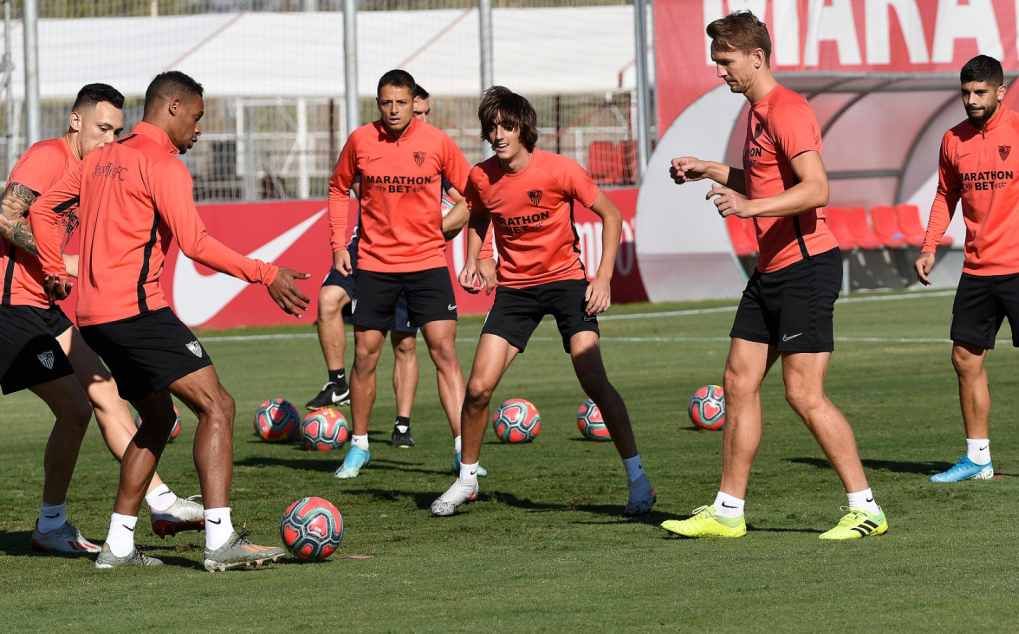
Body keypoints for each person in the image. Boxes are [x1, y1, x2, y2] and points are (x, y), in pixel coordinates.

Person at [29, 71, 310, 570]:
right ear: (173, 107)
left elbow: (43, 209)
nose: (199, 130)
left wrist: (54, 268)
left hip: (92, 318)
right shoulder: (162, 164)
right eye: (197, 118)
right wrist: (266, 274)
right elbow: (197, 246)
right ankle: (220, 542)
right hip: (137, 312)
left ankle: (117, 547)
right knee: (218, 406)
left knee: (158, 419)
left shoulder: (97, 158)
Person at [659, 11, 887, 540]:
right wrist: (710, 170)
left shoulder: (787, 109)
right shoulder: (755, 113)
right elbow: (764, 181)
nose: (719, 71)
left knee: (803, 394)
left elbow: (815, 188)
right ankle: (727, 511)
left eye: (725, 60)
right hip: (771, 269)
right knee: (738, 382)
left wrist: (746, 207)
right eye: (716, 60)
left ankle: (866, 508)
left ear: (756, 56)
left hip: (807, 266)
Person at [429, 86, 656, 518]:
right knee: (477, 389)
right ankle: (467, 480)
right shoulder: (481, 176)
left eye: (506, 126)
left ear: (523, 128)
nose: (498, 134)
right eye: (492, 126)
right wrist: (480, 258)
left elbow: (612, 214)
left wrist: (603, 277)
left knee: (594, 382)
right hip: (515, 292)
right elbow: (478, 214)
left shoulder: (559, 170)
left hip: (568, 283)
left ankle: (638, 480)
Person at [0, 84, 204, 555]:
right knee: (75, 408)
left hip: (42, 307)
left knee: (107, 393)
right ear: (75, 122)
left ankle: (161, 500)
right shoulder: (47, 157)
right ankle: (51, 525)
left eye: (116, 130)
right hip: (11, 304)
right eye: (101, 128)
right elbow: (7, 216)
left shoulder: (96, 169)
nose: (109, 139)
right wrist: (57, 262)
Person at [914, 55, 1019, 484]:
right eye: (965, 92)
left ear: (1000, 92)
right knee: (964, 358)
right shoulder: (953, 139)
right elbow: (944, 196)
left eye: (980, 92)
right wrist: (929, 245)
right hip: (976, 271)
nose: (971, 100)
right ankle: (978, 459)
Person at [327, 70, 482, 480]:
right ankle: (359, 446)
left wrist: (452, 227)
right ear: (378, 103)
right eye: (385, 103)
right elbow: (338, 187)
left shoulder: (437, 142)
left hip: (428, 264)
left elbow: (473, 193)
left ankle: (463, 451)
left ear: (415, 102)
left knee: (444, 352)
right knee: (364, 356)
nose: (393, 110)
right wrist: (339, 244)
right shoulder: (361, 140)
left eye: (400, 102)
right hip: (375, 266)